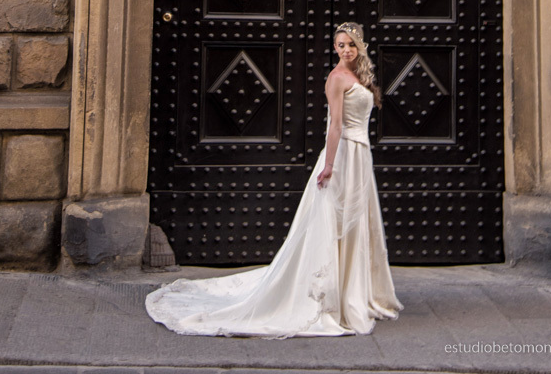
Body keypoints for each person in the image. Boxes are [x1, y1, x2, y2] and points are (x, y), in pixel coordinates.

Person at [145, 21, 403, 338]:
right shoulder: (336, 78)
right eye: (340, 45)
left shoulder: (359, 75)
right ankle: (333, 295)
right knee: (335, 224)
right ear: (334, 48)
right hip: (344, 157)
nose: (346, 49)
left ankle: (357, 291)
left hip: (360, 157)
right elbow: (335, 126)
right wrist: (330, 165)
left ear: (359, 46)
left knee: (356, 222)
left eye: (350, 44)